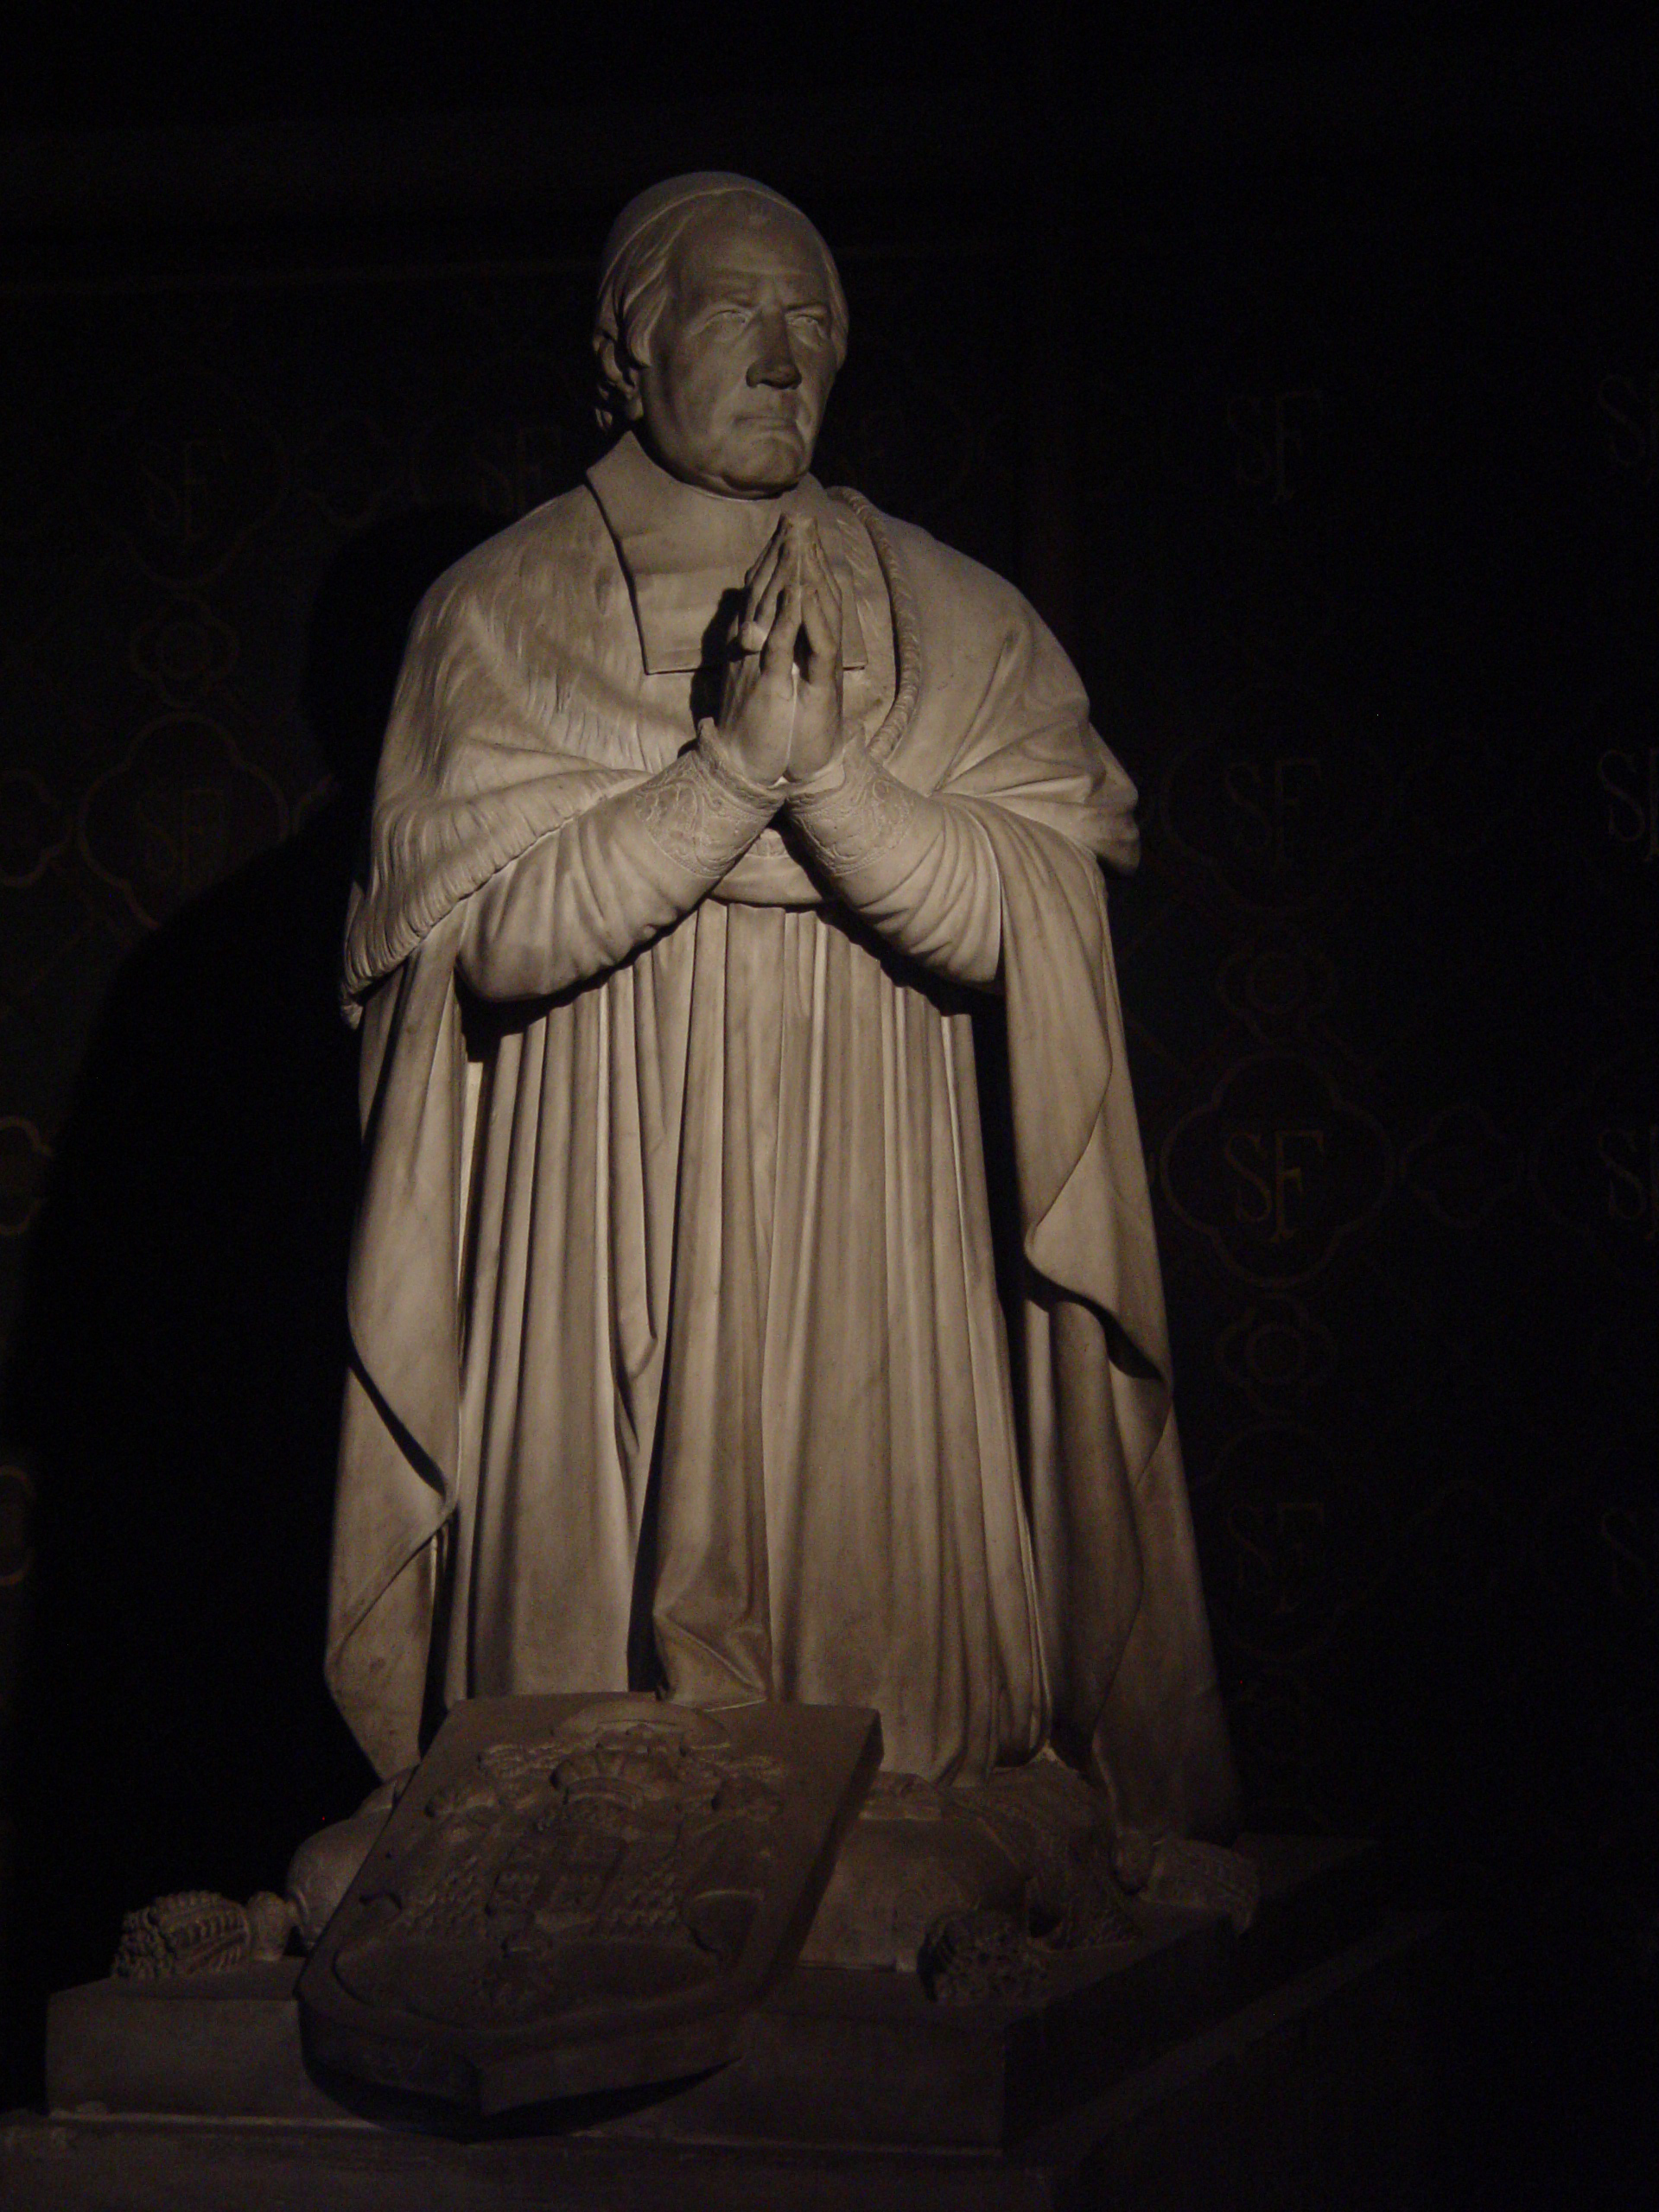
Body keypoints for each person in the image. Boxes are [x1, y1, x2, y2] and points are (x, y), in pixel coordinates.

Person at [328, 174, 1237, 1872]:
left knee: (898, 1730)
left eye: (813, 318)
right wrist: (729, 773)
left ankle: (923, 1784)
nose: (779, 349)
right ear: (630, 344)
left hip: (874, 1199)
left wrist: (831, 780)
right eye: (735, 307)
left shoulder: (961, 622)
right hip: (595, 1198)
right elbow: (492, 945)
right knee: (571, 1738)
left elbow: (1035, 925)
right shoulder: (503, 610)